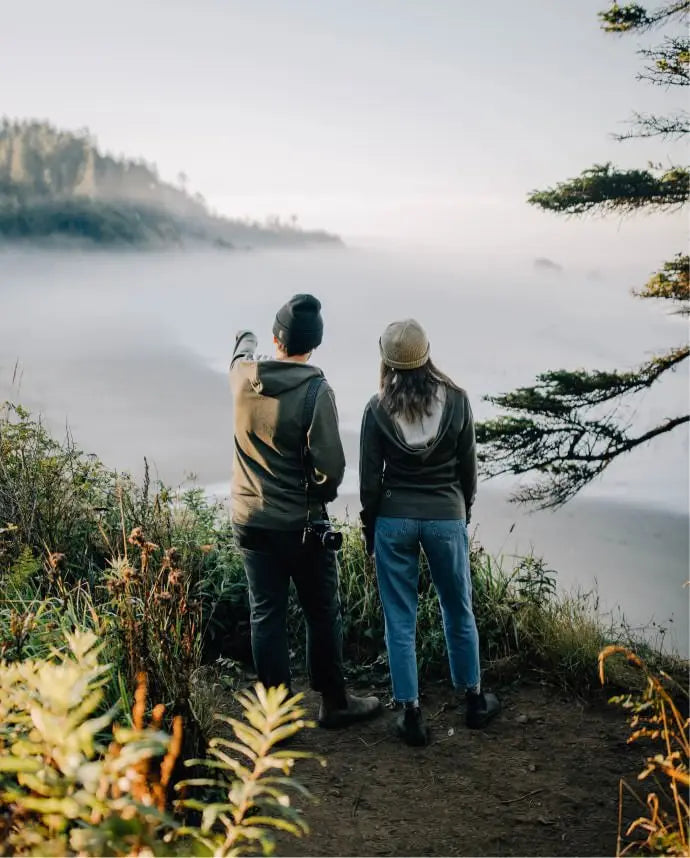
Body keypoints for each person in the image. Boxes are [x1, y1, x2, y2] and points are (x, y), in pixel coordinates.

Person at [230, 293, 381, 728]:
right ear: (313, 344)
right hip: (301, 523)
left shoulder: (242, 376)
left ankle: (275, 721)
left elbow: (241, 347)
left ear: (276, 339)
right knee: (321, 610)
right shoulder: (317, 391)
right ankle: (334, 702)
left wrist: (246, 336)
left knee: (266, 614)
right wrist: (318, 495)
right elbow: (331, 467)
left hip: (250, 520)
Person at [359, 318, 499, 746]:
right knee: (458, 608)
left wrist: (371, 525)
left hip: (394, 519)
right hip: (446, 517)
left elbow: (369, 482)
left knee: (400, 618)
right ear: (428, 353)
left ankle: (411, 714)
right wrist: (463, 509)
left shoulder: (376, 408)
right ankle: (474, 701)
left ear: (385, 360)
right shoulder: (457, 400)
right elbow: (468, 470)